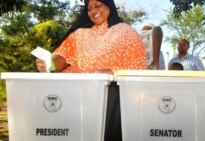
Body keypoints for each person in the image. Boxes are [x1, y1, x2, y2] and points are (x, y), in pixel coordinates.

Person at [36, 0, 147, 141]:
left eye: (97, 5)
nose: (93, 11)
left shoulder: (126, 31)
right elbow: (63, 56)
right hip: (80, 98)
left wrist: (111, 73)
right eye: (89, 9)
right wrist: (49, 63)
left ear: (109, 5)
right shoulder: (80, 34)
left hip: (114, 98)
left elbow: (138, 66)